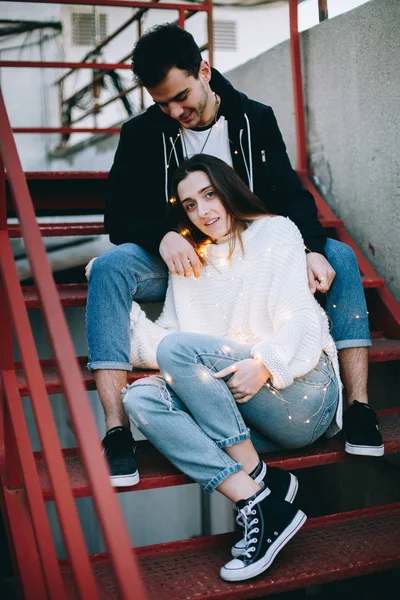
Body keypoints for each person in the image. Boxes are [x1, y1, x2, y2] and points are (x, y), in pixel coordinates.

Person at [86, 24, 383, 487]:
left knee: (340, 256)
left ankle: (360, 408)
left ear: (204, 70)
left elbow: (289, 191)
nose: (174, 111)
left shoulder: (254, 118)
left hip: (249, 250)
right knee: (107, 270)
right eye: (162, 103)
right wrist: (163, 235)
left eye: (181, 96)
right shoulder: (143, 132)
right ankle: (115, 431)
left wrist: (307, 248)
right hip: (178, 259)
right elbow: (116, 215)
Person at [120, 154, 341, 581]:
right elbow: (165, 343)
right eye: (189, 205)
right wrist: (122, 311)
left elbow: (304, 316)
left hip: (301, 394)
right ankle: (256, 495)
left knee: (181, 352)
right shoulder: (192, 263)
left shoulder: (275, 232)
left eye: (209, 195)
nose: (203, 211)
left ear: (228, 189)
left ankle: (257, 483)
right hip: (239, 413)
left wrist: (265, 363)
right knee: (141, 397)